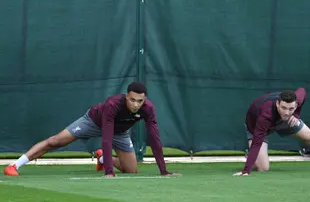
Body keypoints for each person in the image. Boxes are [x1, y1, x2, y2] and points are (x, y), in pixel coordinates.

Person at [4, 82, 181, 177]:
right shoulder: (112, 104)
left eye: (140, 101)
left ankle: (103, 158)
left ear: (145, 100)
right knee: (55, 141)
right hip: (93, 122)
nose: (136, 104)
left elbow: (155, 138)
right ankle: (14, 165)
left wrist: (163, 170)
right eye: (132, 100)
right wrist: (109, 172)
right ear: (126, 96)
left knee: (131, 170)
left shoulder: (148, 109)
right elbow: (106, 136)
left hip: (120, 132)